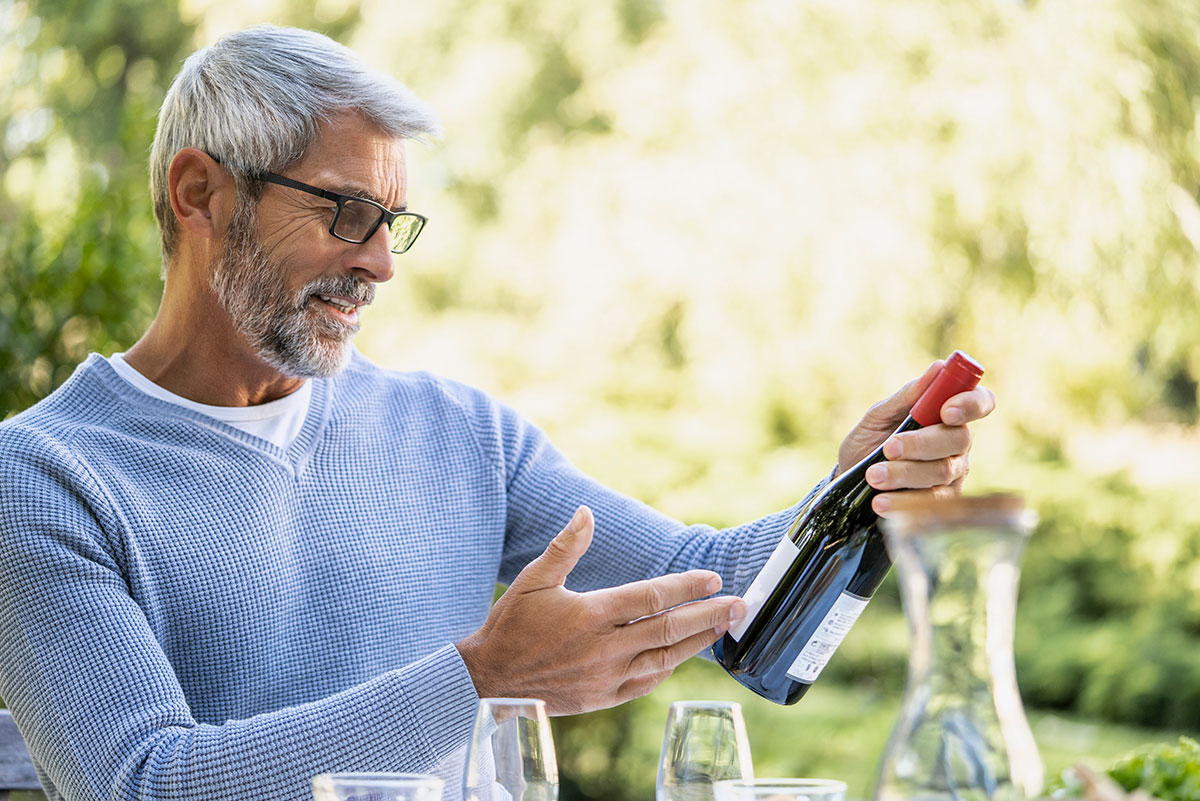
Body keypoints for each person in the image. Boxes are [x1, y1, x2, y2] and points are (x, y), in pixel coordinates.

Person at [0, 24, 995, 801]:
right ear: (201, 193)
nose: (380, 264)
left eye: (393, 225)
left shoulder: (461, 435)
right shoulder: (42, 478)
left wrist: (856, 489)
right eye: (346, 213)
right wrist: (473, 680)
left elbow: (715, 602)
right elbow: (142, 783)